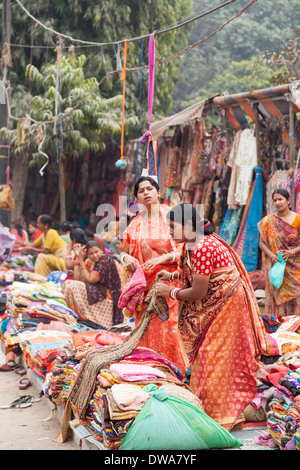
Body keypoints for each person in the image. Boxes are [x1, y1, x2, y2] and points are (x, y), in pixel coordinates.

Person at [156, 203, 267, 431]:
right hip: (222, 302)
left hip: (227, 306)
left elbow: (199, 292)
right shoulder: (193, 243)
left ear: (188, 225)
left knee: (213, 358)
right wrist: (174, 274)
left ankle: (217, 416)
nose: (169, 231)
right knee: (214, 358)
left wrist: (171, 291)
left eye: (172, 226)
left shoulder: (202, 247)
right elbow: (200, 274)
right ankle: (218, 411)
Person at [120, 175, 185, 373]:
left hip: (171, 284)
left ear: (158, 192)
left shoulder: (172, 216)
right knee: (147, 328)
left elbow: (187, 248)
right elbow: (123, 251)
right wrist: (126, 259)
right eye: (141, 191)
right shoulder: (135, 224)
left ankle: (177, 370)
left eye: (149, 188)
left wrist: (161, 259)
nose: (146, 193)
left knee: (171, 328)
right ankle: (152, 369)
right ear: (137, 199)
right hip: (145, 288)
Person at [62, 240, 123, 329]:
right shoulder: (89, 261)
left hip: (111, 296)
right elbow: (77, 278)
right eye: (91, 253)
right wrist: (78, 258)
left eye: (96, 252)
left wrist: (81, 260)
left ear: (101, 251)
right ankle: (69, 314)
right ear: (87, 254)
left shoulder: (105, 260)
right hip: (99, 292)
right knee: (68, 283)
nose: (94, 255)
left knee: (72, 286)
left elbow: (90, 279)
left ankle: (73, 315)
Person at [258, 188, 300, 317]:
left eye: (280, 199)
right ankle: (278, 325)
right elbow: (261, 243)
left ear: (288, 200)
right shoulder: (269, 221)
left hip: (295, 266)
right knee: (276, 294)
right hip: (277, 266)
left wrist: (292, 251)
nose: (277, 202)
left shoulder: (297, 219)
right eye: (275, 200)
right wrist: (271, 255)